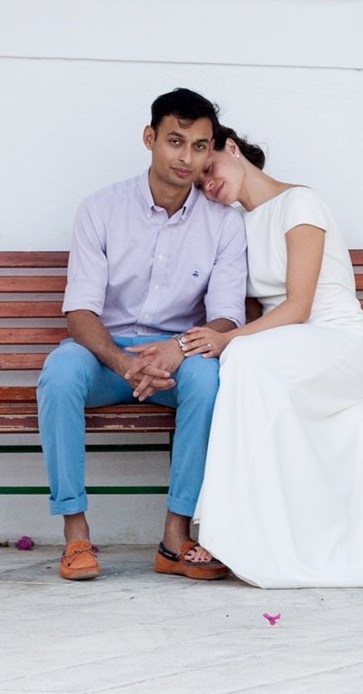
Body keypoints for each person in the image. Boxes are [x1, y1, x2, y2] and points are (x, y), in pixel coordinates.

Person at [183, 130, 363, 588]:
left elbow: (299, 306)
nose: (207, 184)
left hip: (338, 340)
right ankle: (246, 530)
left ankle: (218, 532)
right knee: (240, 364)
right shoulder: (238, 223)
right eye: (199, 183)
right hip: (291, 348)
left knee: (241, 358)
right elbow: (260, 307)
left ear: (233, 149)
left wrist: (230, 340)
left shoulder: (299, 203)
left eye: (210, 169)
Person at [36, 87, 249, 583]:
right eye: (175, 141)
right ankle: (76, 534)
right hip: (108, 358)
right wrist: (122, 361)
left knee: (208, 380)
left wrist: (176, 349)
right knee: (60, 371)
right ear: (150, 138)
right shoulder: (100, 209)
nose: (186, 157)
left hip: (177, 358)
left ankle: (175, 538)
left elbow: (226, 319)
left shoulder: (224, 224)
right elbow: (81, 312)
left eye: (200, 146)